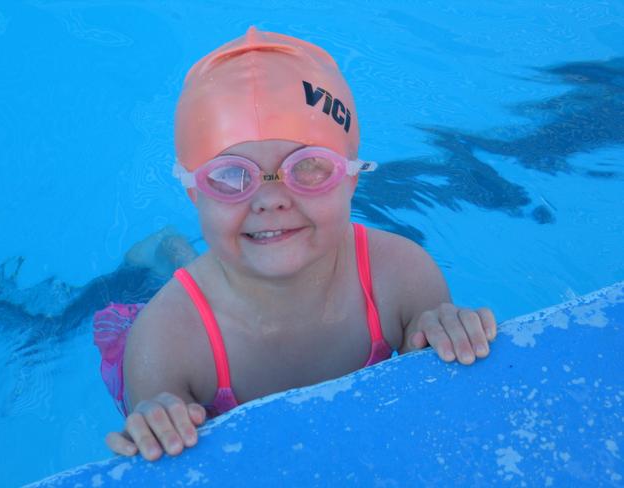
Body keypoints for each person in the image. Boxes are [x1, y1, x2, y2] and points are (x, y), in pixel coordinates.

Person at [95, 26, 497, 462]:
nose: (270, 199)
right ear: (195, 194)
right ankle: (169, 253)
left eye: (308, 168)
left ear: (351, 178)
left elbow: (437, 398)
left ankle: (176, 247)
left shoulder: (401, 276)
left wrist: (446, 327)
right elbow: (160, 445)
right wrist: (156, 417)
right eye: (231, 176)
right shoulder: (166, 339)